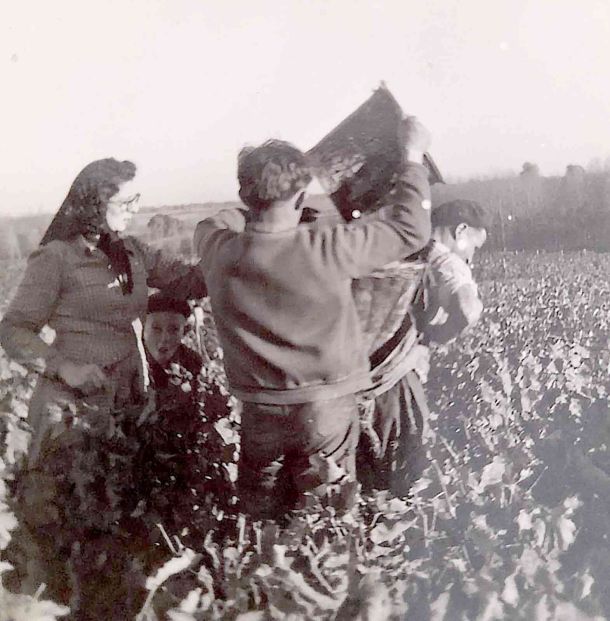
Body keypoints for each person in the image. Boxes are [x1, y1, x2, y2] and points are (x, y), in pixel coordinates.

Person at [193, 117, 432, 520]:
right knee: (326, 519)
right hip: (326, 409)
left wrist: (254, 215)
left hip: (259, 411)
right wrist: (411, 158)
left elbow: (211, 224)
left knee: (261, 523)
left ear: (243, 193)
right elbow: (412, 228)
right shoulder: (327, 247)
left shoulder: (219, 250)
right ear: (303, 195)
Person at [0, 158, 207, 617]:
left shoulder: (131, 251)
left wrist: (235, 245)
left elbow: (192, 279)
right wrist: (64, 367)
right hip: (70, 404)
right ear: (95, 204)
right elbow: (13, 330)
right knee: (63, 514)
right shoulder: (55, 258)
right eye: (125, 200)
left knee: (118, 508)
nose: (135, 207)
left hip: (125, 395)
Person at [357, 199, 489, 496]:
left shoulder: (395, 249)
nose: (472, 256)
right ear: (461, 230)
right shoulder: (445, 259)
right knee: (400, 473)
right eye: (474, 247)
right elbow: (468, 309)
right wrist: (436, 335)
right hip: (398, 381)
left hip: (354, 380)